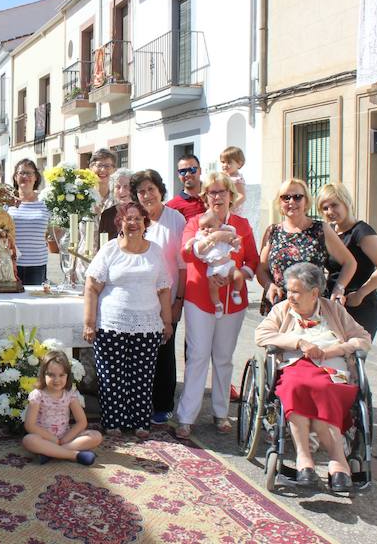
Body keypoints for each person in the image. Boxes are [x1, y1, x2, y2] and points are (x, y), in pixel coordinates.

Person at [255, 262, 371, 492]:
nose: (290, 297)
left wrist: (334, 350)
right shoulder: (282, 310)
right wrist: (298, 341)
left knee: (323, 390)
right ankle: (312, 459)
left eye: (296, 291)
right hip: (297, 365)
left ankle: (331, 460)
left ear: (314, 293)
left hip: (331, 369)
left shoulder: (334, 310)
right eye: (289, 291)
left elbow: (363, 338)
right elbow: (262, 334)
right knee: (296, 386)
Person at [175, 172, 259, 440]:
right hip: (200, 298)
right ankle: (187, 417)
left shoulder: (242, 225)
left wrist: (239, 275)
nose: (217, 197)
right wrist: (208, 239)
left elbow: (253, 261)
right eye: (212, 192)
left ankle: (221, 412)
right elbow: (186, 253)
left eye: (222, 192)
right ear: (205, 196)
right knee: (198, 356)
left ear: (231, 196)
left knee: (223, 358)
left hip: (232, 302)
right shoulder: (195, 222)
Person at [83, 201, 173, 437]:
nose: (133, 223)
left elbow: (164, 289)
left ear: (145, 223)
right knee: (111, 377)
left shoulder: (155, 251)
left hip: (148, 326)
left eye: (137, 218)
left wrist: (167, 322)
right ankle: (113, 422)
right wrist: (89, 323)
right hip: (112, 324)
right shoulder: (110, 250)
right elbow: (92, 287)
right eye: (127, 218)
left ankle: (140, 422)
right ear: (120, 223)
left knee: (142, 377)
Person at [132, 170, 187, 426]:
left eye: (150, 189)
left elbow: (184, 266)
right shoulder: (135, 219)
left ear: (160, 190)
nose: (146, 195)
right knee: (142, 351)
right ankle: (140, 402)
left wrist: (179, 301)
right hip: (140, 298)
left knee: (164, 350)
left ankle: (163, 404)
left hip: (167, 298)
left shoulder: (175, 219)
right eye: (141, 191)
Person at [257, 178, 357, 313]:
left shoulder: (321, 229)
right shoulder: (272, 232)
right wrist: (269, 285)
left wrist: (339, 288)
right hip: (280, 307)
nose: (291, 202)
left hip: (313, 308)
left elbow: (349, 262)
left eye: (297, 197)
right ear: (280, 203)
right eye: (286, 197)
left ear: (306, 201)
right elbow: (261, 269)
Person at [318, 183, 377, 339]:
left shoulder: (361, 231)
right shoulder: (330, 232)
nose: (330, 211)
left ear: (346, 202)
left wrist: (360, 294)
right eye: (325, 208)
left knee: (354, 359)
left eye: (334, 205)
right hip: (334, 303)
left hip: (360, 306)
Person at [22, 349, 102, 465]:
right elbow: (30, 425)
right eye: (51, 375)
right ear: (43, 374)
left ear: (67, 376)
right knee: (28, 440)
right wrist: (52, 439)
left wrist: (65, 438)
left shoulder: (70, 394)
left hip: (66, 437)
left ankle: (50, 453)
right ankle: (74, 455)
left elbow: (81, 421)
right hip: (44, 438)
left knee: (96, 436)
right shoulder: (37, 395)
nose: (57, 380)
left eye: (61, 375)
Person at [192, 211, 244, 318]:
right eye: (203, 228)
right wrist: (209, 241)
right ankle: (217, 305)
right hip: (214, 268)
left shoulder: (226, 231)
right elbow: (196, 249)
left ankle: (236, 292)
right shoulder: (201, 238)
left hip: (229, 265)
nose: (206, 230)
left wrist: (234, 242)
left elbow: (235, 240)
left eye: (210, 226)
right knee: (213, 288)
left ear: (219, 224)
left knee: (238, 276)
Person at [8, 159, 50, 285]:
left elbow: (57, 229)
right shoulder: (7, 203)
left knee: (35, 302)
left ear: (36, 177)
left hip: (37, 264)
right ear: (15, 177)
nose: (25, 177)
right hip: (11, 264)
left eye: (29, 173)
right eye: (21, 173)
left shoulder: (46, 202)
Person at [166, 153, 206, 221]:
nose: (187, 174)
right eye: (182, 171)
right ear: (178, 175)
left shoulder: (213, 196)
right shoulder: (171, 207)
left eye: (192, 170)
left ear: (200, 171)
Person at [97, 168, 134, 240]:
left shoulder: (142, 212)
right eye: (118, 187)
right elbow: (101, 245)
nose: (121, 191)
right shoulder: (107, 214)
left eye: (126, 186)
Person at [219, 146, 247, 212]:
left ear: (239, 164)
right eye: (223, 162)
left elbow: (242, 197)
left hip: (233, 212)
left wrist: (229, 208)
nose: (225, 165)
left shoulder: (237, 179)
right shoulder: (225, 176)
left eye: (229, 162)